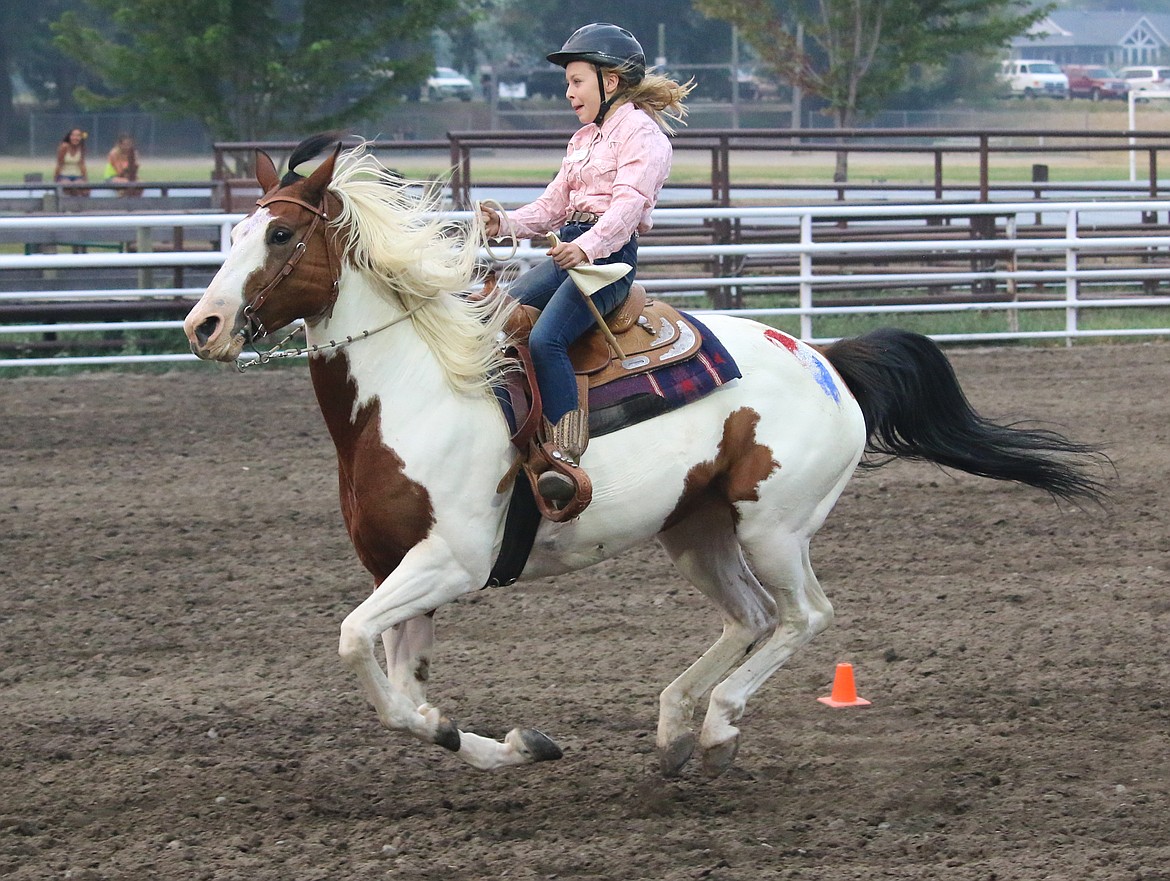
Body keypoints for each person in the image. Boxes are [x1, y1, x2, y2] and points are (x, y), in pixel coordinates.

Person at [479, 22, 692, 514]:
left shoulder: (643, 136)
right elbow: (552, 207)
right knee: (494, 317)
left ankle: (564, 454)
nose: (569, 93)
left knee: (545, 339)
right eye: (568, 83)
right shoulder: (583, 140)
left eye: (577, 81)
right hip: (573, 250)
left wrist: (588, 249)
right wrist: (504, 223)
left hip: (609, 264)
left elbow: (626, 210)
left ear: (609, 81)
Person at [53, 128, 89, 195]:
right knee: (67, 186)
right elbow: (59, 164)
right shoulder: (64, 147)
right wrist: (55, 179)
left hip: (78, 176)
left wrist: (86, 179)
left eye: (78, 136)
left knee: (82, 188)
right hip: (64, 176)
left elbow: (82, 164)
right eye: (73, 135)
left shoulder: (81, 148)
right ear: (70, 137)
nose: (75, 138)